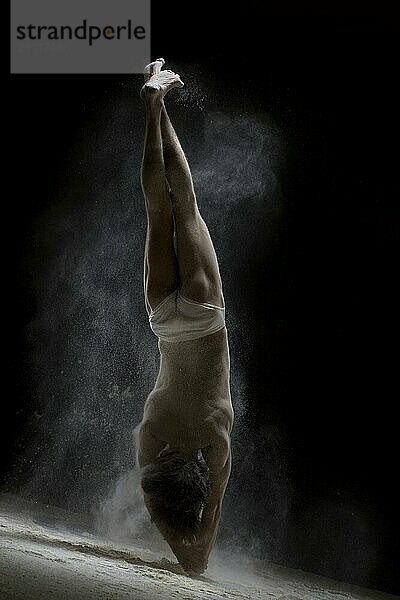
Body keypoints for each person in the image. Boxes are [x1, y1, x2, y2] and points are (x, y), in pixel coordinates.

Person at [136, 58, 233, 576]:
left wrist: (193, 551)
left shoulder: (216, 441)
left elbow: (207, 522)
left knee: (186, 206)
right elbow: (158, 498)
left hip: (202, 313)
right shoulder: (152, 436)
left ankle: (159, 100)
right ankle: (153, 107)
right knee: (160, 211)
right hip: (165, 321)